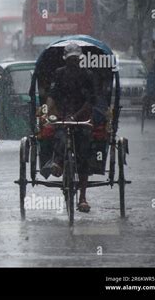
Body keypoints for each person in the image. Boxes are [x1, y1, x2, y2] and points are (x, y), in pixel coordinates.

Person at [45, 43, 95, 213]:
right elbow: (52, 97)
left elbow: (90, 101)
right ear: (66, 59)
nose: (73, 62)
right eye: (70, 59)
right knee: (60, 136)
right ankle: (57, 162)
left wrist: (76, 116)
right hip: (63, 116)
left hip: (82, 117)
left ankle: (82, 197)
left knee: (84, 152)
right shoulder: (59, 74)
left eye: (76, 59)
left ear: (79, 59)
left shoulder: (88, 76)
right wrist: (51, 114)